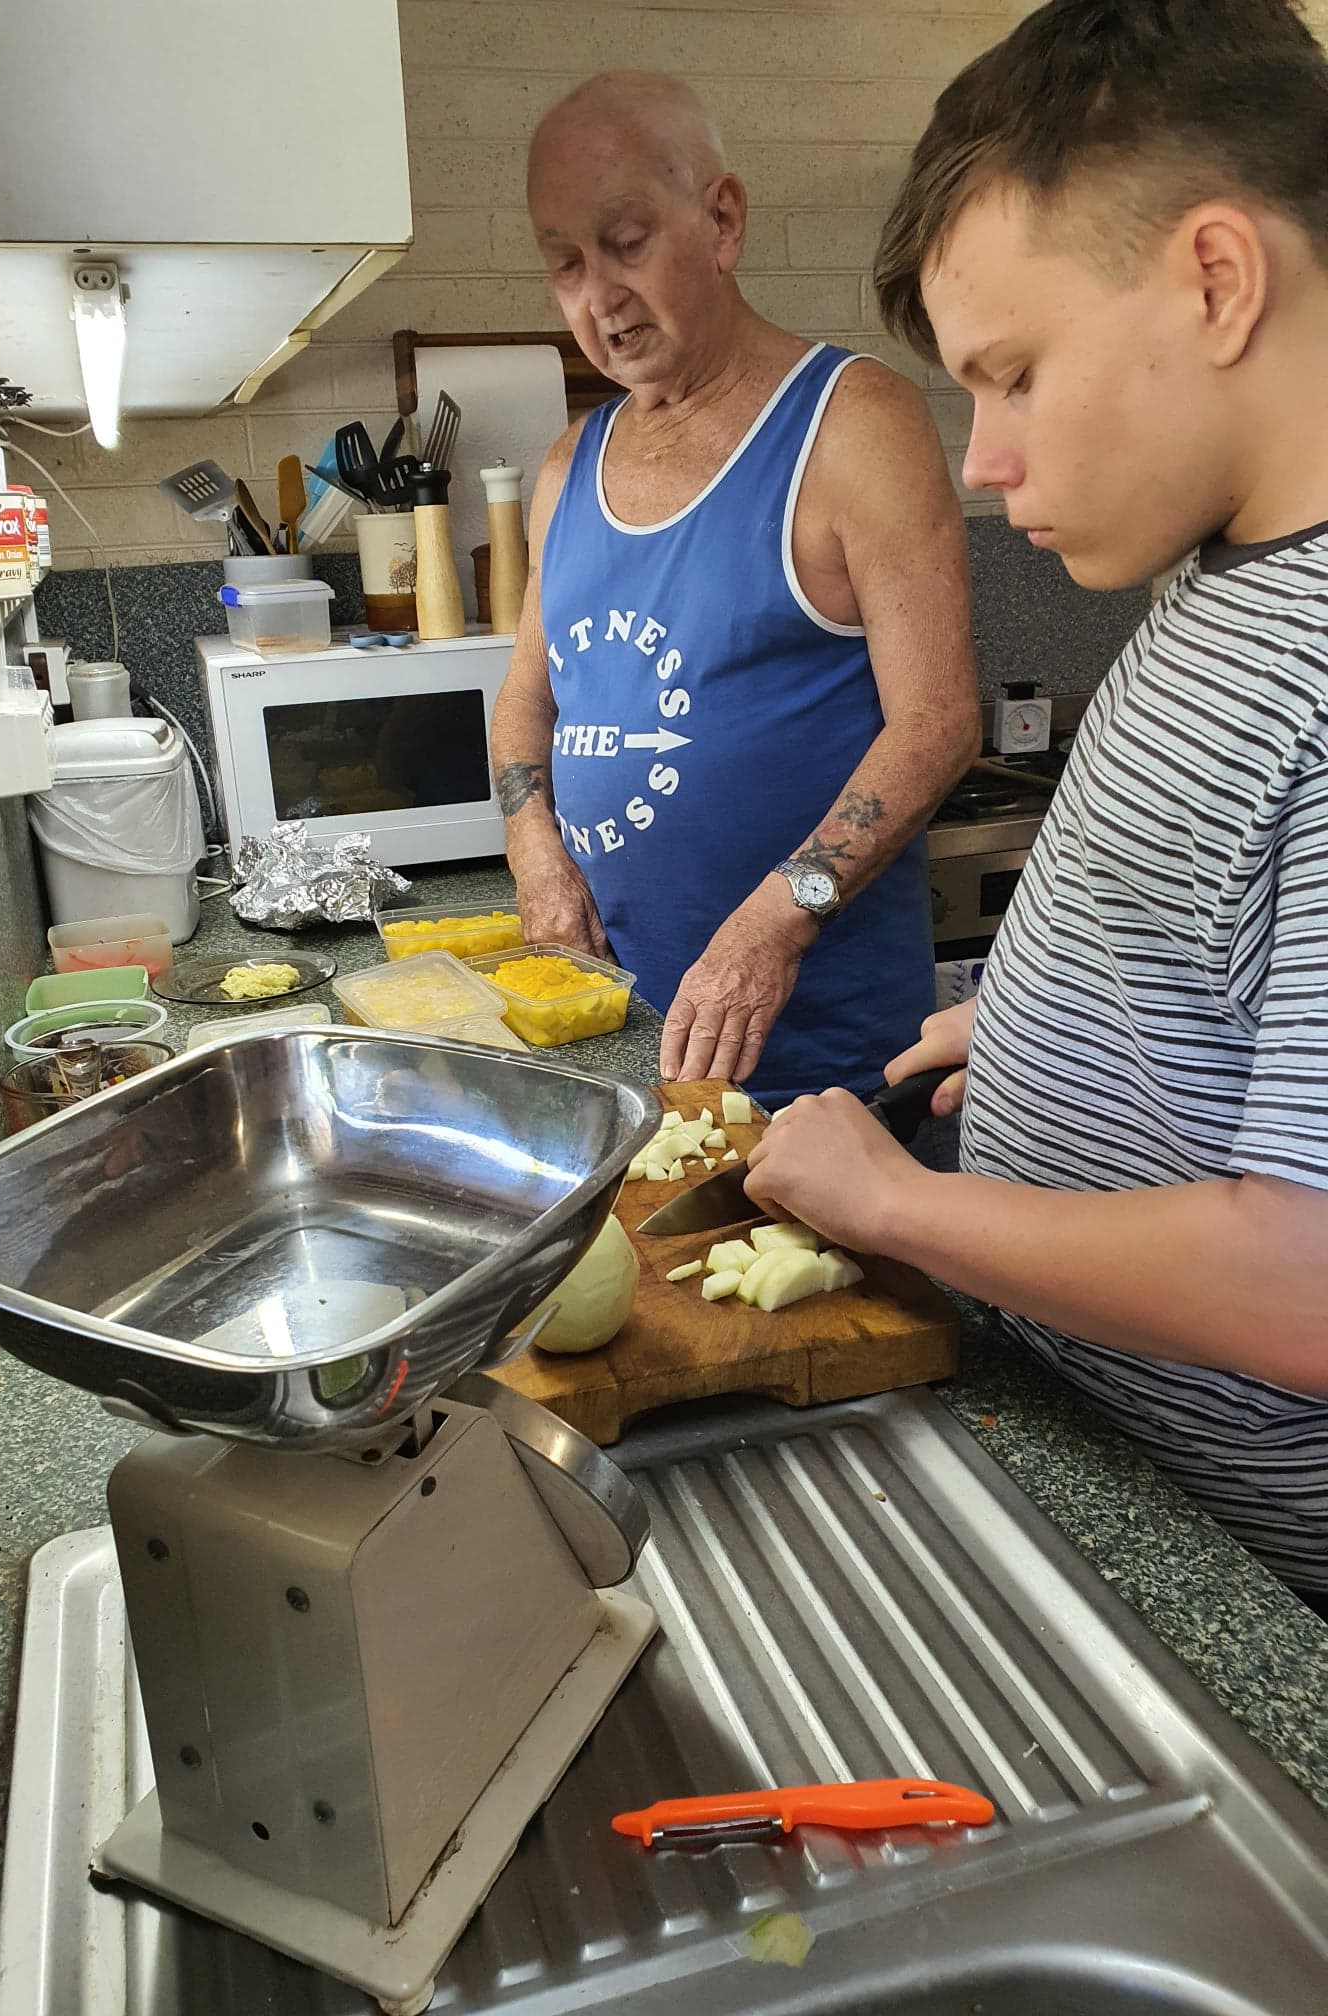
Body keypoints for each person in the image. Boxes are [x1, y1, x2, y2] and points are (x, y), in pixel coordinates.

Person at [746, 0, 1328, 1606]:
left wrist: (900, 1209)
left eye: (1011, 375)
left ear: (1218, 279)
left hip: (1252, 1597)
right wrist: (1044, 1025)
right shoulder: (1227, 577)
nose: (984, 457)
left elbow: (1309, 1285)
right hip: (1112, 1469)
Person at [490, 72, 981, 1107]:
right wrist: (537, 857)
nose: (597, 297)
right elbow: (526, 701)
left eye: (624, 242)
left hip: (821, 1066)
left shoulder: (853, 424)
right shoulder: (566, 465)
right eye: (564, 264)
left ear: (721, 220)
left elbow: (937, 722)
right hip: (621, 1043)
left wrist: (777, 919)